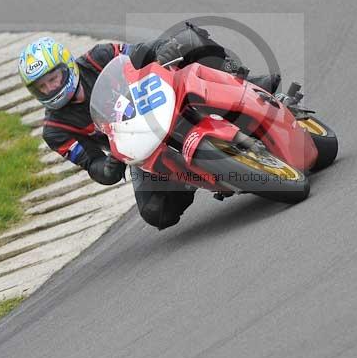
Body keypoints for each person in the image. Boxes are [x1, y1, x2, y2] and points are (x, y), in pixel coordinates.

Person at [18, 23, 281, 230]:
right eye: (42, 86)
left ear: (67, 66)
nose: (50, 88)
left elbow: (139, 52)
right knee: (157, 212)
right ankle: (191, 177)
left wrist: (162, 49)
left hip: (163, 98)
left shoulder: (99, 57)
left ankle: (245, 83)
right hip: (141, 148)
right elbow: (92, 164)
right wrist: (108, 167)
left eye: (53, 78)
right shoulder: (55, 129)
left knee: (188, 39)